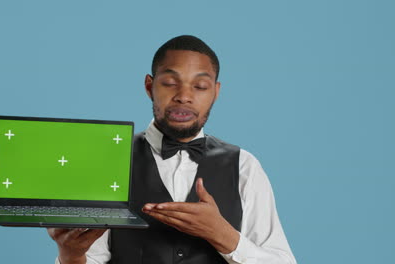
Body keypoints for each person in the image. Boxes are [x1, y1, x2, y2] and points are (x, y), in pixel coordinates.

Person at [47, 35, 297, 264]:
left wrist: (223, 235)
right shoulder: (108, 161)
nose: (184, 96)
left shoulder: (244, 166)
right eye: (169, 82)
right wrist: (71, 254)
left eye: (199, 86)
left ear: (216, 92)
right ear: (149, 86)